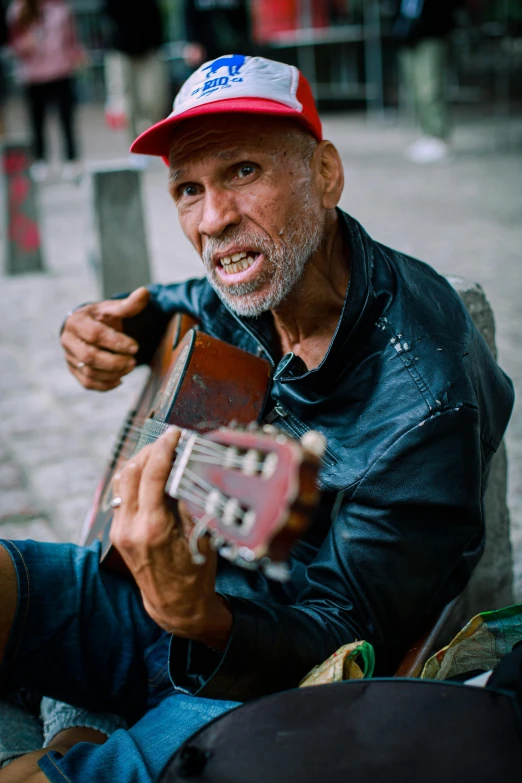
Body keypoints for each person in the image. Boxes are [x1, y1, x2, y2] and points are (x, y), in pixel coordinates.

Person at [0, 54, 514, 782]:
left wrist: (197, 616)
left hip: (265, 681)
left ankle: (82, 736)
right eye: (188, 187)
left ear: (326, 174)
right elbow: (183, 305)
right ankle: (85, 722)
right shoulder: (263, 276)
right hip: (168, 591)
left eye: (243, 171)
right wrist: (100, 328)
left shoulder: (425, 405)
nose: (212, 219)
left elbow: (342, 640)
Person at [6, 0, 85, 182]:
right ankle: (40, 160)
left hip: (61, 71)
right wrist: (25, 45)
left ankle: (72, 160)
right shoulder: (18, 9)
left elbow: (71, 39)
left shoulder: (60, 8)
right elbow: (13, 42)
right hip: (33, 75)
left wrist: (76, 57)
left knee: (66, 118)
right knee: (37, 120)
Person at [392, 0, 462, 163]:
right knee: (415, 89)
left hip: (432, 34)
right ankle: (427, 133)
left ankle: (439, 137)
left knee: (429, 89)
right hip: (407, 36)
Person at [102, 0, 169, 167]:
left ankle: (152, 142)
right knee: (127, 103)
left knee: (154, 99)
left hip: (149, 49)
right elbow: (109, 11)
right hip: (122, 50)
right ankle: (135, 148)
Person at [182, 0, 254, 70]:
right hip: (205, 49)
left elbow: (242, 16)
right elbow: (188, 14)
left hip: (235, 46)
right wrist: (192, 42)